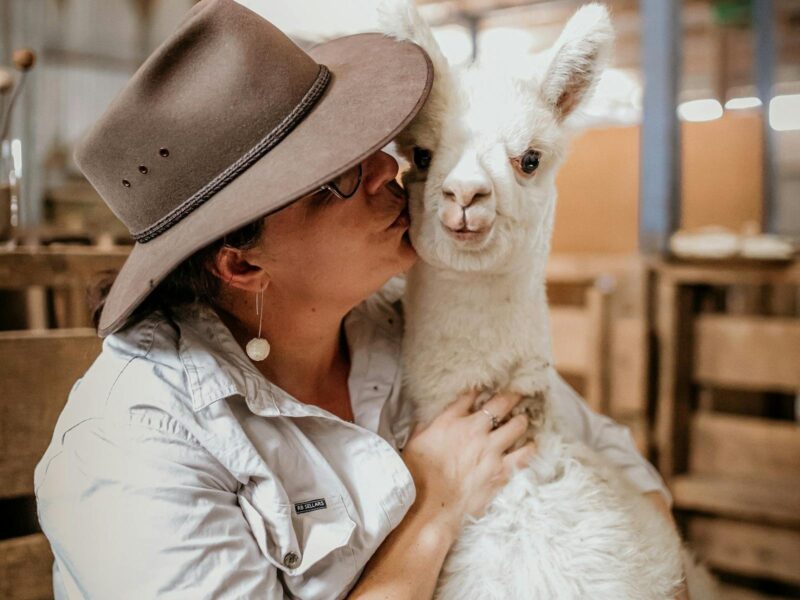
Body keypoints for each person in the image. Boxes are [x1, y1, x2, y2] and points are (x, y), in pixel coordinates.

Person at [34, 1, 675, 599]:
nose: (386, 175)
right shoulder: (136, 446)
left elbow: (599, 447)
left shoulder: (397, 317)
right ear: (243, 262)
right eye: (336, 180)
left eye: (373, 150)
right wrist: (432, 507)